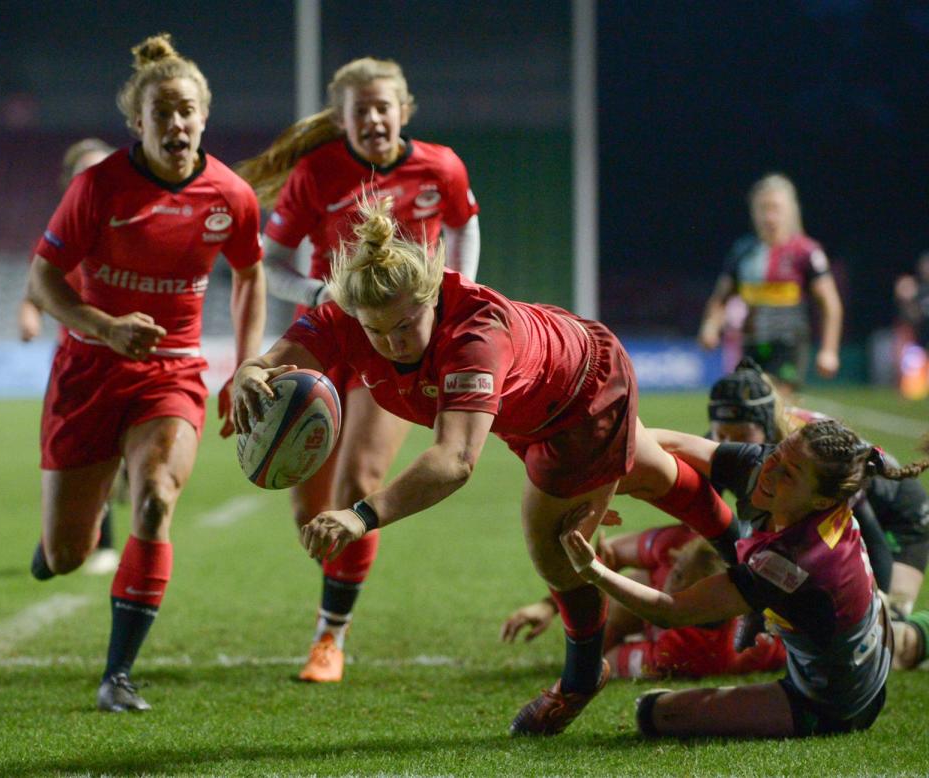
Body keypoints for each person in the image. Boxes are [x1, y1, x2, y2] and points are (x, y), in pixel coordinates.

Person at [232, 196, 743, 736]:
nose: (391, 343)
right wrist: (251, 369)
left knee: (553, 546)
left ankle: (581, 675)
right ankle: (749, 553)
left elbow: (454, 461)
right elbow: (280, 359)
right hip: (544, 391)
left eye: (406, 325)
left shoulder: (475, 335)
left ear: (430, 298)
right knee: (653, 474)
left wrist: (361, 516)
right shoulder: (351, 312)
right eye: (376, 331)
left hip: (576, 398)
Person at [25, 33, 265, 712]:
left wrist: (246, 364)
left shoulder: (231, 196)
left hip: (172, 373)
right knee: (68, 555)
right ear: (139, 123)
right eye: (163, 113)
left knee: (157, 495)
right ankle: (56, 546)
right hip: (89, 369)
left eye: (187, 111)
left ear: (204, 116)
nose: (177, 124)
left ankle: (117, 676)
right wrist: (105, 327)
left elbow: (249, 275)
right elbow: (42, 279)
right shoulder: (97, 187)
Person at [236, 57, 480, 683]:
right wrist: (318, 292)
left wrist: (461, 288)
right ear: (341, 117)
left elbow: (463, 222)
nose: (373, 118)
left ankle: (329, 638)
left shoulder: (442, 166)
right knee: (308, 509)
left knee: (358, 483)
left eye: (383, 106)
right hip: (328, 340)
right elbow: (273, 261)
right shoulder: (317, 172)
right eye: (360, 109)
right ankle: (337, 597)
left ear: (404, 109)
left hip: (395, 348)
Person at [563, 419, 929, 738]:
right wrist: (602, 483)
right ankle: (914, 636)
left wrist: (594, 570)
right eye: (778, 454)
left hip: (831, 700)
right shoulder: (776, 468)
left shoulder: (793, 563)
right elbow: (663, 442)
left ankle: (905, 642)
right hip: (864, 629)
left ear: (820, 502)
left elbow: (671, 611)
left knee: (655, 713)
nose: (770, 469)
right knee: (875, 639)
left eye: (789, 473)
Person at [706, 358, 929, 668]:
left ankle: (914, 632)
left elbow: (871, 533)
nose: (729, 443)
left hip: (898, 512)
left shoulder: (807, 455)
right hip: (845, 519)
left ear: (766, 425)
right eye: (721, 433)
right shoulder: (729, 441)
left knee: (880, 647)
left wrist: (884, 605)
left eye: (741, 433)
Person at [18, 137, 123, 577]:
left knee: (130, 464)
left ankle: (106, 543)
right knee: (86, 463)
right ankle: (70, 539)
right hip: (78, 366)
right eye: (85, 174)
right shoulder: (60, 235)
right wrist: (29, 317)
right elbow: (34, 289)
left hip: (135, 362)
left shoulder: (135, 228)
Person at [501, 524, 786, 679]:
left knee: (631, 596)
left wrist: (612, 624)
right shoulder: (680, 544)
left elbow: (606, 661)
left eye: (678, 573)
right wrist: (549, 605)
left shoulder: (689, 651)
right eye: (676, 564)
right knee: (634, 586)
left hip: (797, 646)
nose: (672, 562)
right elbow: (603, 553)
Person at [698, 173, 843, 394]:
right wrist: (710, 326)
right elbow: (721, 298)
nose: (769, 216)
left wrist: (829, 350)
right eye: (763, 208)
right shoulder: (743, 252)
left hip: (789, 346)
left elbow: (830, 304)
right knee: (750, 410)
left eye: (775, 208)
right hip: (751, 345)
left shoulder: (806, 252)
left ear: (790, 211)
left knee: (774, 402)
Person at [894, 251, 929, 400]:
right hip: (918, 346)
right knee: (913, 393)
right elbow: (909, 319)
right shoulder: (917, 290)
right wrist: (906, 299)